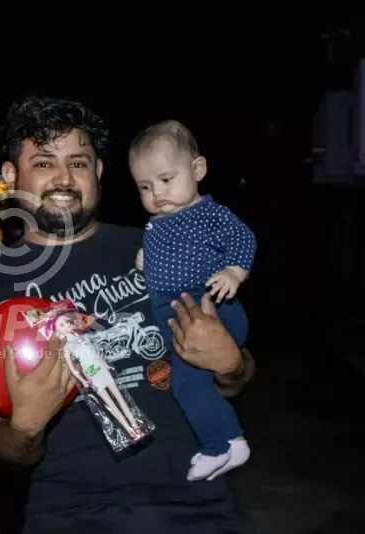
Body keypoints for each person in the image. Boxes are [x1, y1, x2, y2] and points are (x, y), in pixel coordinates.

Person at [0, 96, 256, 533]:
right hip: (69, 516)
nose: (64, 178)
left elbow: (239, 374)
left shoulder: (161, 247)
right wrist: (27, 426)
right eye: (44, 163)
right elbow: (6, 448)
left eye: (78, 163)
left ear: (98, 172)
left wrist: (229, 365)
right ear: (10, 176)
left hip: (197, 507)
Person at [130, 119, 256, 481]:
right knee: (192, 384)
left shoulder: (209, 213)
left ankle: (215, 447)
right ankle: (233, 440)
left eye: (166, 179)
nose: (157, 193)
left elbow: (243, 238)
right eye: (145, 186)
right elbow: (163, 255)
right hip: (172, 311)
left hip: (207, 308)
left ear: (197, 170)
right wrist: (146, 260)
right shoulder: (158, 222)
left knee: (185, 383)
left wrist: (234, 272)